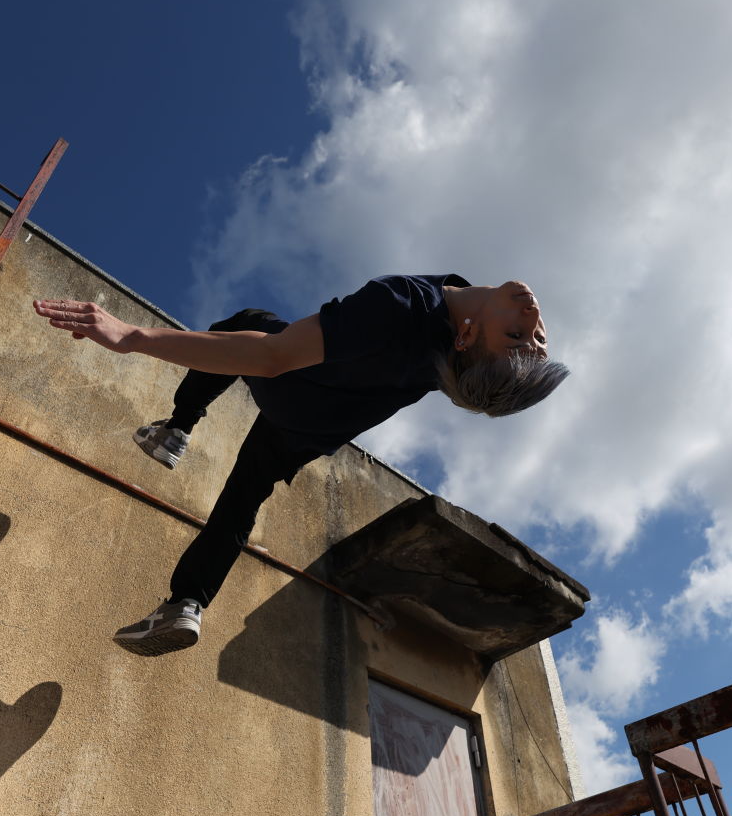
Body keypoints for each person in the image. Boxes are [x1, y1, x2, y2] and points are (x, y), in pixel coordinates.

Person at [32, 275, 566, 655]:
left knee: (248, 326)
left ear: (465, 337)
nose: (532, 320)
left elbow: (272, 357)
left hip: (294, 391)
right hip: (316, 432)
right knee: (243, 496)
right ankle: (185, 603)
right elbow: (479, 372)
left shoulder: (399, 307)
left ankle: (178, 426)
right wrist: (511, 358)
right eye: (536, 338)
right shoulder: (454, 348)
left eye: (516, 336)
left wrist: (133, 337)